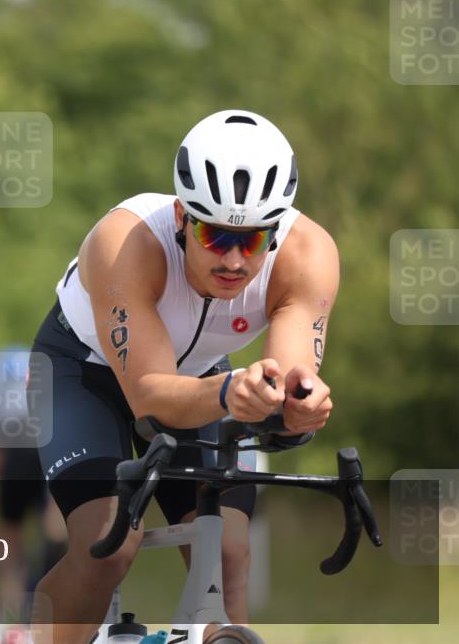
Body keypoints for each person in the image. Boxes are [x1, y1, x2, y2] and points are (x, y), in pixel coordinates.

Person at [28, 110, 337, 644]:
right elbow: (151, 396)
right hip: (81, 372)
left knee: (229, 552)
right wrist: (228, 391)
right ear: (180, 216)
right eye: (215, 236)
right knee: (109, 543)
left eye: (254, 240)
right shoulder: (126, 241)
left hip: (200, 380)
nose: (236, 260)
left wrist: (297, 409)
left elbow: (287, 385)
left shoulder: (308, 255)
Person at [0, 347, 67, 621]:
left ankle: (9, 609)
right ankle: (41, 604)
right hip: (49, 436)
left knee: (10, 528)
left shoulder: (1, 360)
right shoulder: (50, 352)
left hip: (14, 438)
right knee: (55, 527)